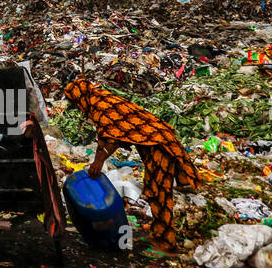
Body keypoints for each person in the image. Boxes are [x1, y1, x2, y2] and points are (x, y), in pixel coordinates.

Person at [63, 77, 202, 253]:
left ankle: (167, 244)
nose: (77, 107)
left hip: (159, 145)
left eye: (75, 102)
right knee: (154, 190)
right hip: (155, 142)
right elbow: (111, 134)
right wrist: (99, 159)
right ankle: (158, 234)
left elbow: (111, 138)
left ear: (80, 97)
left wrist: (98, 162)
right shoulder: (100, 99)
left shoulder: (100, 105)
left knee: (159, 193)